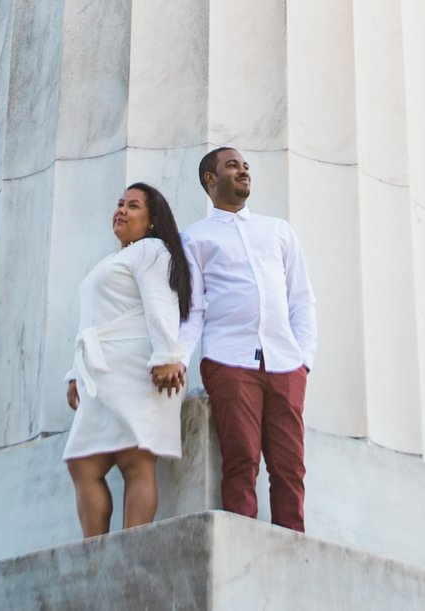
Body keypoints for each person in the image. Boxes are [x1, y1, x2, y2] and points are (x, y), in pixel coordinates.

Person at [182, 145, 316, 531]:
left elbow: (302, 298)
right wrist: (178, 357)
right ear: (211, 179)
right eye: (232, 166)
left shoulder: (277, 230)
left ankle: (293, 548)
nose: (243, 171)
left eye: (245, 166)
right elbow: (191, 309)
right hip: (229, 360)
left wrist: (304, 359)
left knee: (290, 465)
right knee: (241, 459)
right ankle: (244, 543)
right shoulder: (195, 238)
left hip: (285, 364)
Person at [64, 182, 192, 538]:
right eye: (120, 203)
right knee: (82, 462)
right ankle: (96, 550)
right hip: (104, 369)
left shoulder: (152, 250)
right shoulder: (113, 259)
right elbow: (91, 318)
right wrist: (75, 373)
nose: (121, 210)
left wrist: (168, 355)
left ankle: (131, 546)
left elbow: (160, 303)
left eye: (133, 206)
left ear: (152, 221)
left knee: (135, 459)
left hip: (139, 367)